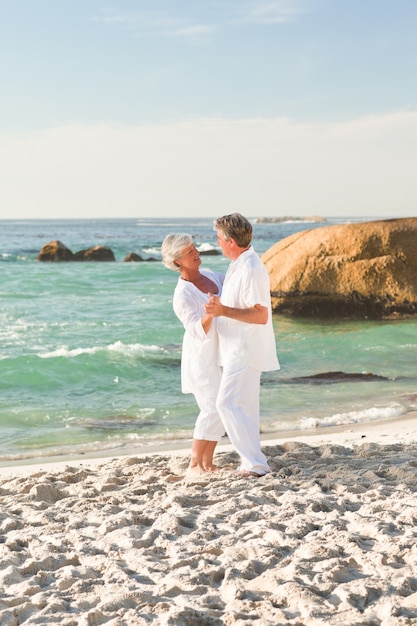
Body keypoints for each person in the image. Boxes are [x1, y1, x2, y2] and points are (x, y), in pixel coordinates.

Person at [204, 213, 280, 477]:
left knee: (225, 403)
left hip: (245, 349)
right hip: (236, 349)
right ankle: (254, 463)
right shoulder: (238, 263)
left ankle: (256, 463)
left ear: (231, 241)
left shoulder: (251, 268)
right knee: (245, 407)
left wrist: (222, 310)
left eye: (218, 238)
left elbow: (260, 314)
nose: (216, 242)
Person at [161, 233, 225, 473]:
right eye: (189, 252)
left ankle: (208, 462)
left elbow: (235, 284)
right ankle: (195, 463)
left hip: (221, 352)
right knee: (211, 407)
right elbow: (196, 331)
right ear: (177, 261)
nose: (196, 253)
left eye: (194, 248)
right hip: (201, 358)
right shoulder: (182, 294)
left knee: (223, 405)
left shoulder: (209, 274)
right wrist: (210, 313)